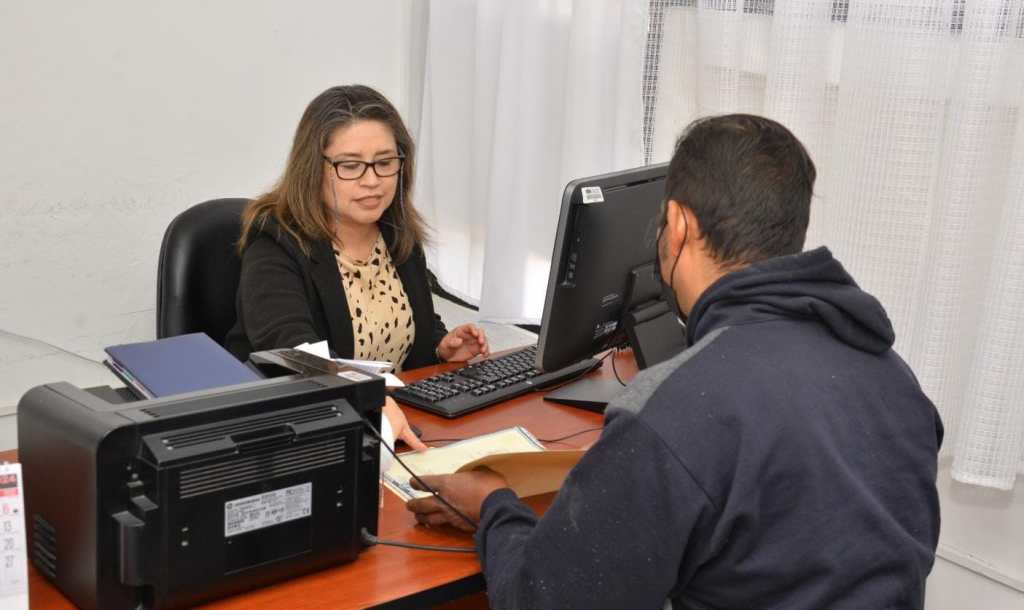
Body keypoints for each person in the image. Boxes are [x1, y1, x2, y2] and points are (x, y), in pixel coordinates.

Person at [406, 115, 943, 609]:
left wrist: (493, 504)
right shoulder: (894, 379)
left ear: (678, 226)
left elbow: (545, 600)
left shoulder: (678, 410)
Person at [225, 85, 488, 450]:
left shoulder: (397, 234)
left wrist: (440, 348)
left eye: (384, 162)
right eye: (350, 166)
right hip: (302, 439)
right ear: (312, 170)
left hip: (390, 432)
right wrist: (374, 401)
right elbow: (297, 358)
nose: (372, 181)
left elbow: (403, 331)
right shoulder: (276, 242)